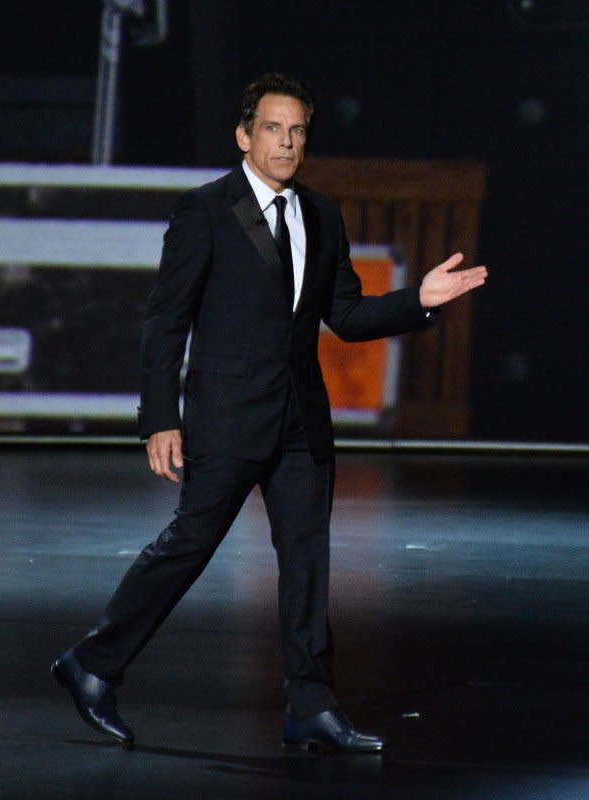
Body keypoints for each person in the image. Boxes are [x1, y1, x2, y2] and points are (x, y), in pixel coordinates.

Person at [52, 72, 488, 753]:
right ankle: (93, 662)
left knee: (308, 560)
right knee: (188, 546)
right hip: (225, 415)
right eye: (273, 129)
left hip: (299, 422)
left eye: (296, 131)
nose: (286, 143)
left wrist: (419, 299)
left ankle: (311, 705)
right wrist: (158, 417)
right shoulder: (204, 211)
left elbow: (344, 316)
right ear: (244, 135)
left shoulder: (320, 213)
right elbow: (165, 322)